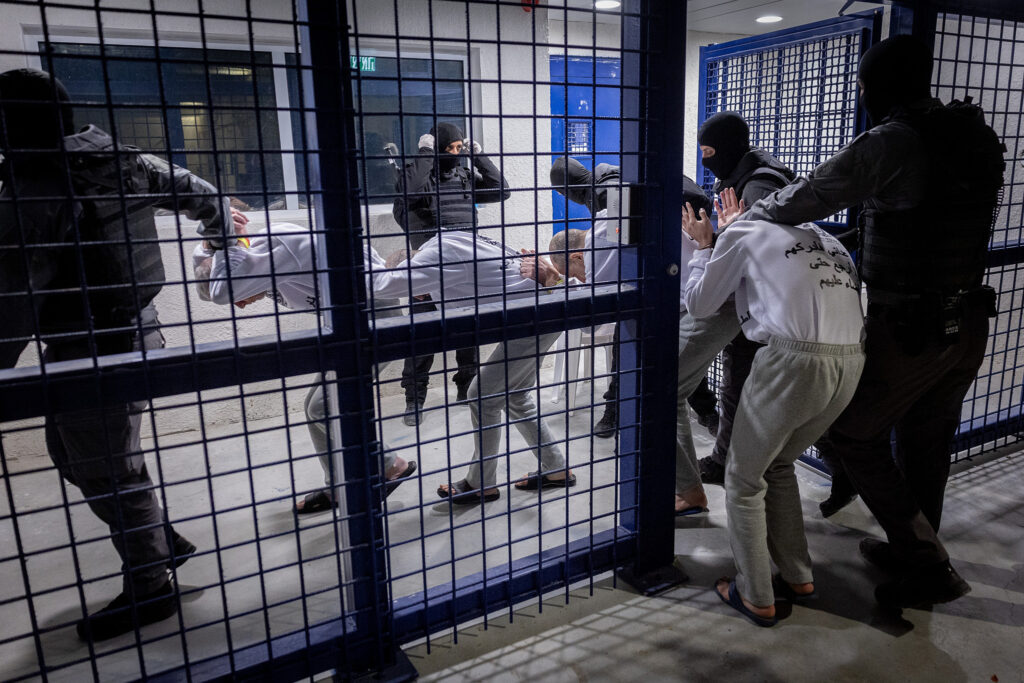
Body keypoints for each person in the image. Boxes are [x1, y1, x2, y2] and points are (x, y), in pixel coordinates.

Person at [740, 35, 1005, 608]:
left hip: (912, 328)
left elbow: (806, 197)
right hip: (968, 319)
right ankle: (915, 548)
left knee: (854, 433)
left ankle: (928, 563)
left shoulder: (892, 141)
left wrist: (744, 220)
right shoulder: (973, 136)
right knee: (926, 440)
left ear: (874, 85)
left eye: (862, 85)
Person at [0, 68, 231, 641]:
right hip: (128, 337)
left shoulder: (38, 191)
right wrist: (221, 236)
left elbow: (12, 303)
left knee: (108, 469)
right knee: (76, 456)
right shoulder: (121, 161)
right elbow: (202, 194)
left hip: (93, 350)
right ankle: (158, 541)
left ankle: (151, 586)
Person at [682, 191, 865, 627]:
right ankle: (799, 576)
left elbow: (699, 304)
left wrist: (706, 246)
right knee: (779, 465)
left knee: (742, 480)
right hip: (852, 359)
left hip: (792, 360)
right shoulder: (826, 238)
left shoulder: (744, 231)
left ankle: (755, 595)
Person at [192, 218, 417, 514]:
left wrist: (225, 243)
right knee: (314, 407)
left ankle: (392, 465)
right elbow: (212, 287)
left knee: (323, 406)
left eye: (239, 296)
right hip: (348, 327)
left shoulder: (277, 243)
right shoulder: (257, 262)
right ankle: (338, 487)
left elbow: (223, 292)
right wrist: (211, 243)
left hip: (376, 319)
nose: (241, 305)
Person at [524, 172, 718, 515]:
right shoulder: (607, 224)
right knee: (665, 394)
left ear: (576, 257)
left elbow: (596, 316)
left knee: (654, 394)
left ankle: (689, 490)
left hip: (704, 302)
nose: (580, 279)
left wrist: (554, 284)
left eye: (575, 273)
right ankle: (688, 488)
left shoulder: (598, 246)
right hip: (698, 298)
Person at [366, 231, 573, 504]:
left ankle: (480, 484)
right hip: (541, 309)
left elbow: (384, 285)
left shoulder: (439, 258)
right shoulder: (447, 242)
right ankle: (556, 468)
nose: (419, 297)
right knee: (515, 395)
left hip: (534, 317)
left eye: (415, 291)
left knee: (481, 396)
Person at [547, 156, 719, 439]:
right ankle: (707, 412)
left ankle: (616, 413)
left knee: (634, 351)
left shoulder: (604, 199)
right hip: (683, 279)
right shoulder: (614, 182)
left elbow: (598, 304)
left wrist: (561, 285)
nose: (580, 277)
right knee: (678, 357)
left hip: (666, 290)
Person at [693, 112, 801, 492]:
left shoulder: (758, 185)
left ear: (728, 147)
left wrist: (711, 246)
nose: (706, 161)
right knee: (744, 386)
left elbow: (758, 248)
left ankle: (727, 463)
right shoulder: (746, 174)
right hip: (763, 303)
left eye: (710, 152)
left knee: (740, 384)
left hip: (763, 305)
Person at [392, 122, 510, 426]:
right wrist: (425, 154)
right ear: (436, 149)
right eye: (451, 148)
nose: (456, 154)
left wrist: (478, 157)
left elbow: (501, 190)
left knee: (467, 333)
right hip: (428, 270)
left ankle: (466, 388)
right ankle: (414, 398)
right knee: (421, 337)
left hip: (464, 271)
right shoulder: (418, 178)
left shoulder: (464, 178)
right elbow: (407, 192)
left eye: (460, 148)